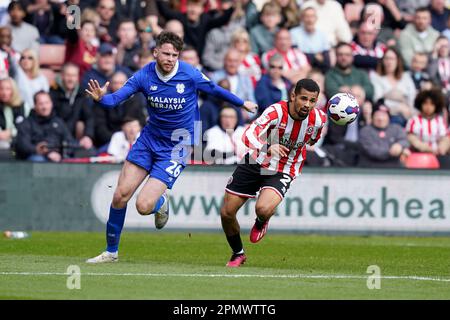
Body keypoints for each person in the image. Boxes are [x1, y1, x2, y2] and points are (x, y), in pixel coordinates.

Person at [85, 31, 257, 263]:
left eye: (175, 55)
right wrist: (101, 99)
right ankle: (111, 252)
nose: (170, 58)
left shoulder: (189, 74)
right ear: (155, 52)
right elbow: (116, 99)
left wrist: (242, 103)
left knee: (143, 206)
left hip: (179, 143)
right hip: (149, 140)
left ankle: (161, 202)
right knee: (119, 196)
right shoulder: (143, 76)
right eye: (166, 53)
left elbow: (215, 90)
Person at [220, 78, 326, 267]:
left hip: (285, 167)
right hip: (256, 160)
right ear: (293, 96)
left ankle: (262, 220)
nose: (307, 105)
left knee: (263, 208)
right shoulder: (276, 111)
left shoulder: (319, 119)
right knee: (227, 213)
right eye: (303, 99)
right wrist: (267, 146)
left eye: (312, 101)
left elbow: (312, 141)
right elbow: (248, 134)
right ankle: (238, 253)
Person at [358, 101, 411, 168]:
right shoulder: (365, 131)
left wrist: (399, 145)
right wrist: (396, 151)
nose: (380, 119)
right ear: (372, 117)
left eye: (383, 115)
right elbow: (373, 152)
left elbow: (405, 141)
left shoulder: (396, 128)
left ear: (389, 117)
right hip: (371, 169)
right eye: (377, 115)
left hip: (395, 169)